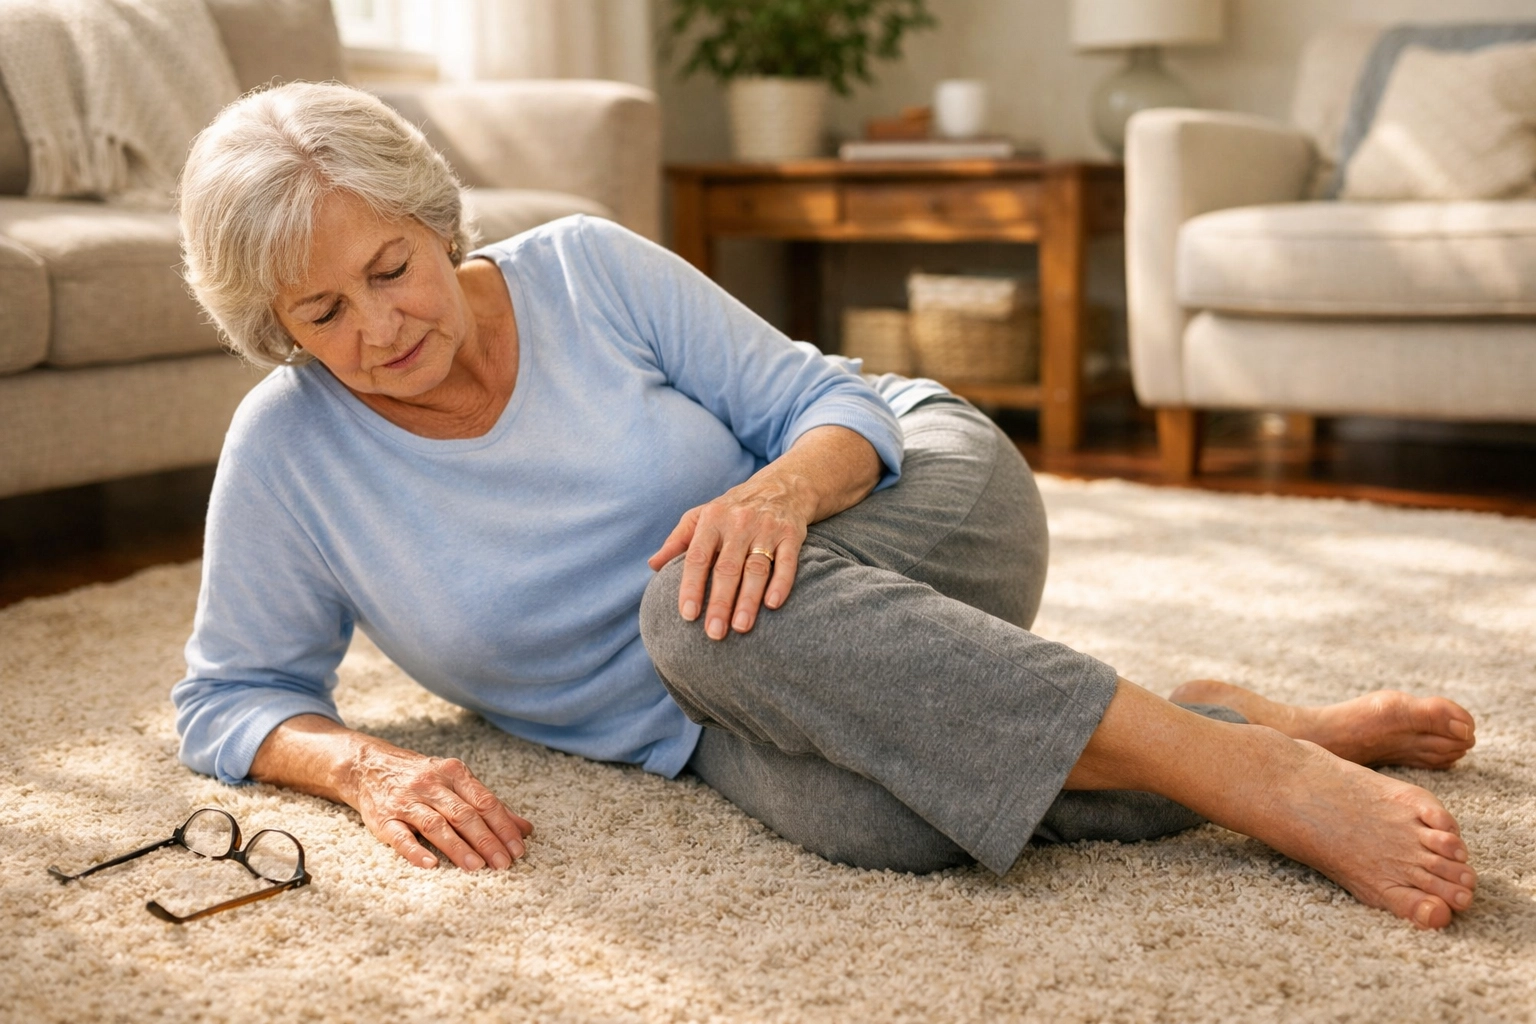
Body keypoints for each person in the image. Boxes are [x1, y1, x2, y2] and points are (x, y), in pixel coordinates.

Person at [174, 82, 1480, 931]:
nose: (379, 326)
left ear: (428, 218)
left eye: (390, 267)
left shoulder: (582, 270)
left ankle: (1260, 779)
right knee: (887, 823)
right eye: (321, 313)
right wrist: (361, 766)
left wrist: (777, 495)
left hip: (912, 486)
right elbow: (228, 694)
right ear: (274, 330)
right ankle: (1227, 719)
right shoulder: (290, 452)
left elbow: (832, 403)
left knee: (690, 606)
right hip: (716, 711)